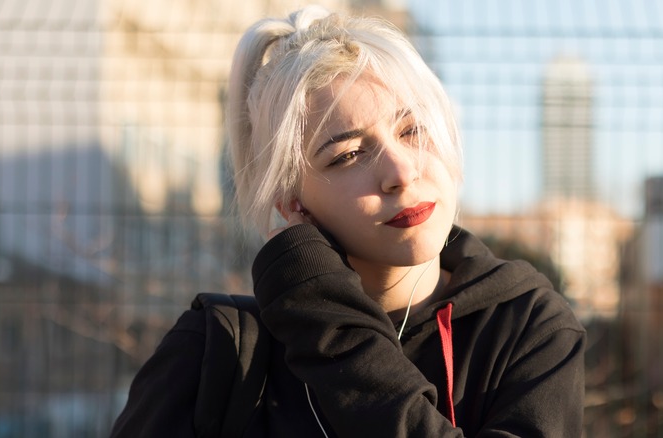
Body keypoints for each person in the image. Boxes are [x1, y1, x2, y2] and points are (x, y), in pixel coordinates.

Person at [112, 5, 585, 437]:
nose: (401, 172)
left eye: (413, 130)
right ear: (291, 199)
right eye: (349, 155)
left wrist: (333, 332)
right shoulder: (216, 353)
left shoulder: (529, 327)